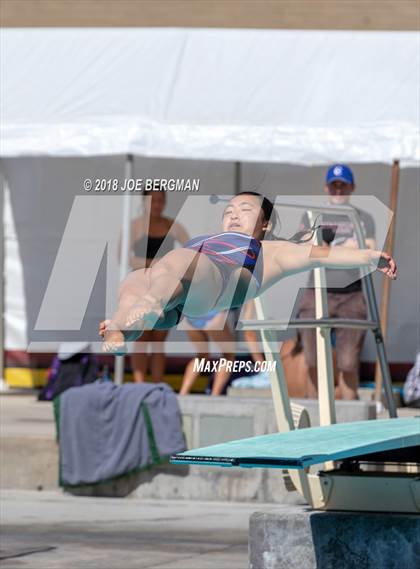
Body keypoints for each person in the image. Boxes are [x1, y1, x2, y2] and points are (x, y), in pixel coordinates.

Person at [100, 191, 396, 357]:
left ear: (265, 224)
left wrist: (368, 256)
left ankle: (150, 304)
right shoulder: (208, 239)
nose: (234, 214)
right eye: (229, 210)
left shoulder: (271, 250)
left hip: (218, 281)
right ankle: (120, 329)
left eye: (245, 209)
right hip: (175, 297)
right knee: (135, 279)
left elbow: (320, 255)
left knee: (177, 261)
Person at [297, 164, 376, 400]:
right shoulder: (312, 215)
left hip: (352, 294)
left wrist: (329, 250)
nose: (338, 190)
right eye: (334, 185)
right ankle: (315, 418)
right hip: (316, 292)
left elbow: (369, 250)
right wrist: (347, 249)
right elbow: (304, 249)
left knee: (349, 363)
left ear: (352, 187)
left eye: (343, 185)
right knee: (312, 360)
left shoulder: (363, 217)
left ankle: (349, 423)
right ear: (326, 187)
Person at [128, 188, 190, 382]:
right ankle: (139, 385)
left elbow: (190, 251)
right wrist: (153, 264)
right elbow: (124, 258)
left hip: (164, 286)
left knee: (158, 339)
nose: (157, 204)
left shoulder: (173, 225)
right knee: (141, 337)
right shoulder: (135, 226)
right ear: (144, 202)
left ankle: (156, 385)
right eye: (152, 200)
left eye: (160, 200)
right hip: (142, 284)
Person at [179, 310, 236, 396]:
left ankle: (183, 393)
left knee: (201, 356)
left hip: (191, 318)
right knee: (228, 355)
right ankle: (215, 395)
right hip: (213, 315)